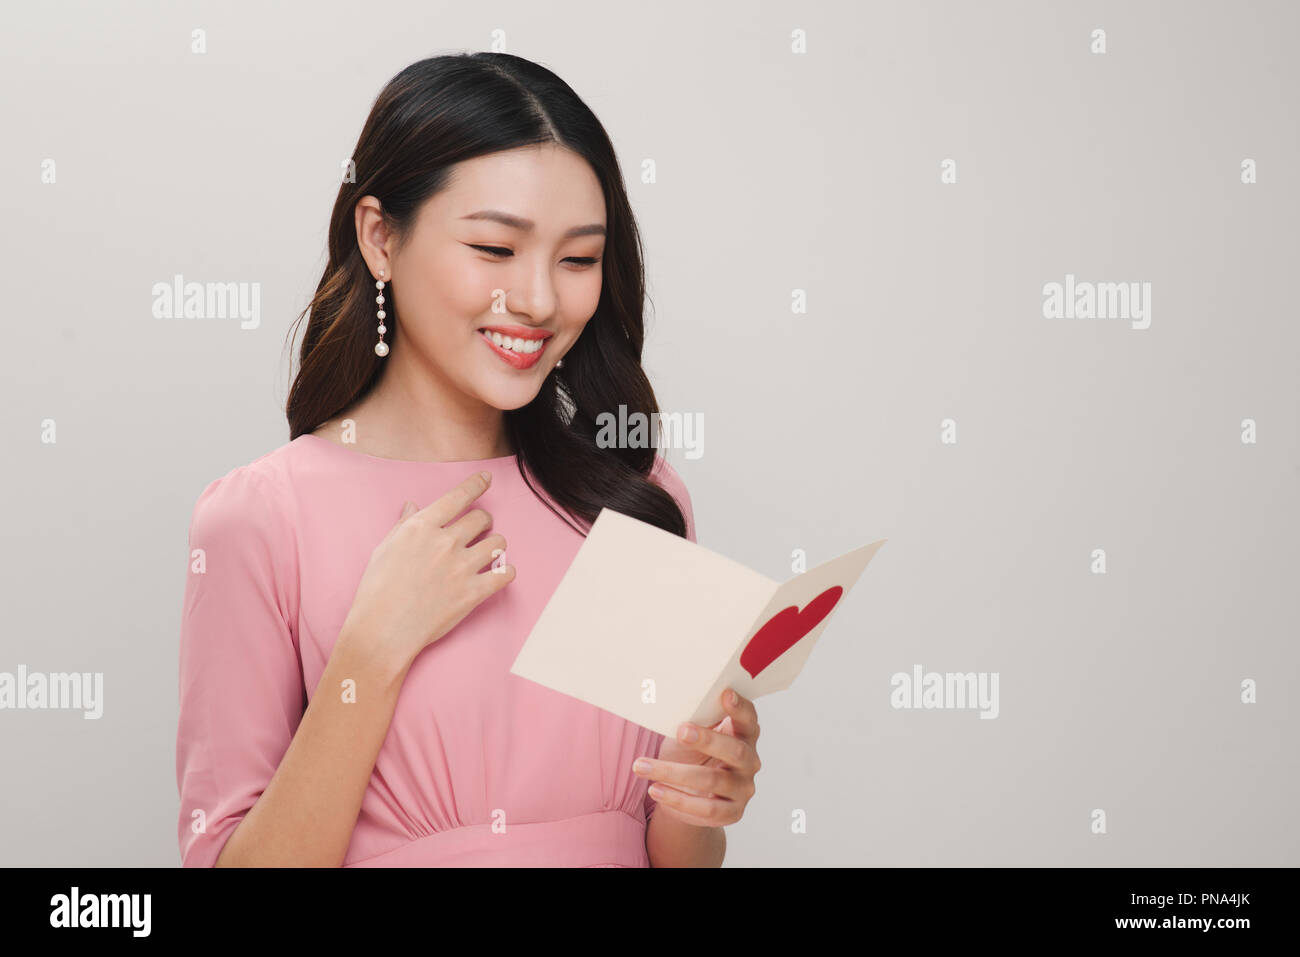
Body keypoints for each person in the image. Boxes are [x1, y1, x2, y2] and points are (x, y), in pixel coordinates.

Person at [175, 52, 760, 868]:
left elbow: (670, 855)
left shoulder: (635, 494)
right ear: (380, 237)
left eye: (578, 259)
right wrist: (371, 652)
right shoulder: (261, 517)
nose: (540, 300)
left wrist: (704, 801)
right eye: (494, 248)